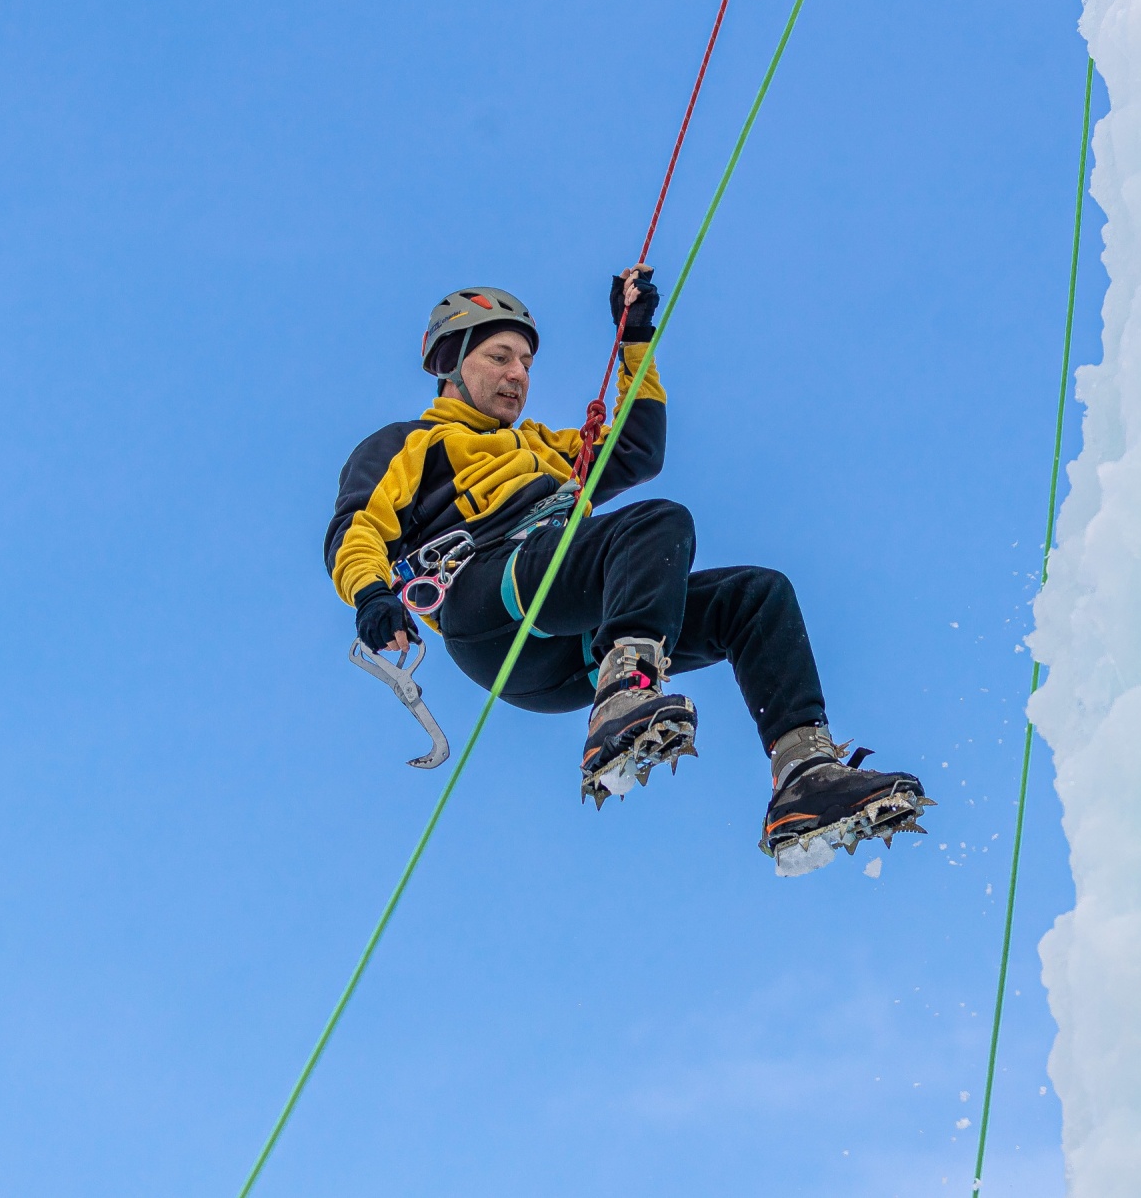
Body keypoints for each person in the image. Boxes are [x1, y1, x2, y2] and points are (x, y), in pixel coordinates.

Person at [324, 270, 928, 874]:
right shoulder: (413, 441)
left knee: (756, 596)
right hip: (487, 598)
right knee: (656, 525)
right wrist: (372, 595)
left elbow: (638, 449)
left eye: (527, 363)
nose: (518, 375)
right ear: (451, 362)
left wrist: (634, 334)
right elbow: (357, 524)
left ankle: (805, 773)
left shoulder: (546, 449)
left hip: (566, 644)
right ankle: (625, 691)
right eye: (500, 357)